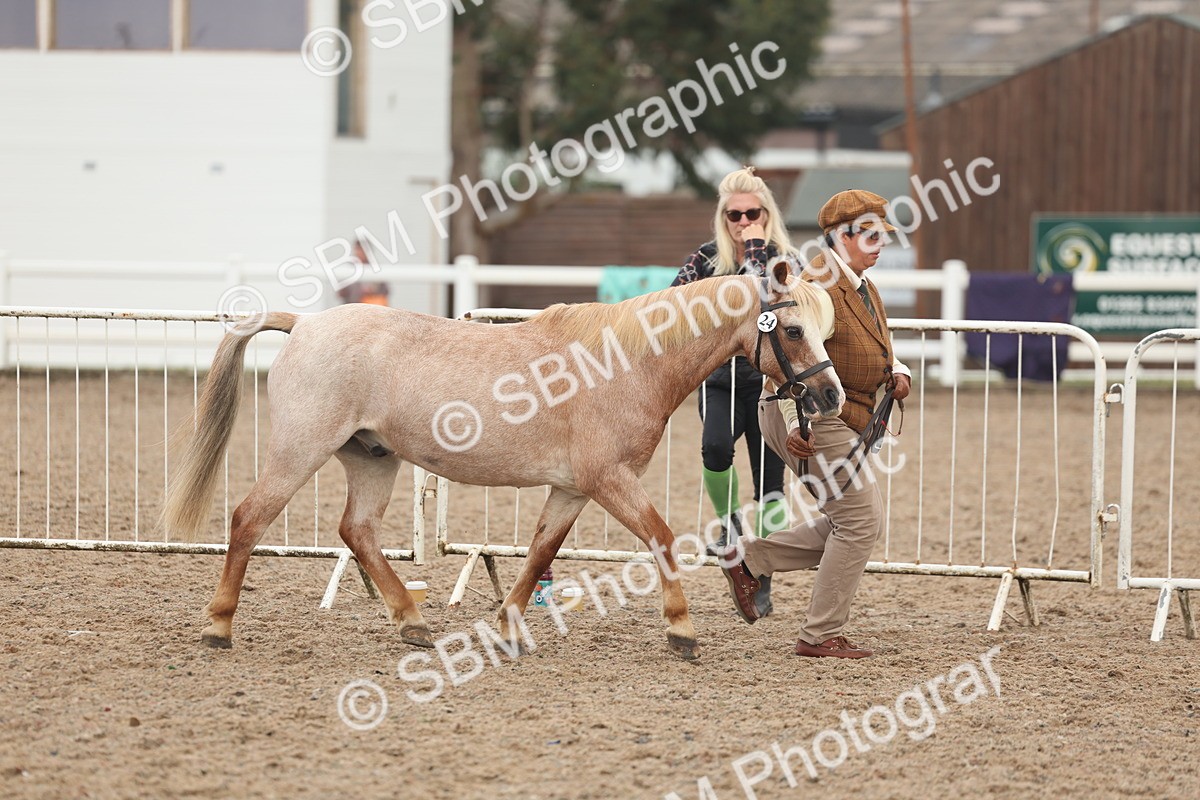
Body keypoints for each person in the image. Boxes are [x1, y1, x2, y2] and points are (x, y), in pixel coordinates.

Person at [719, 189, 912, 658]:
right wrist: (793, 424)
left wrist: (897, 368)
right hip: (811, 418)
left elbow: (866, 344)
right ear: (839, 237)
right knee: (860, 521)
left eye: (881, 234)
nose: (880, 243)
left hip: (838, 416)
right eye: (869, 235)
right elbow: (791, 357)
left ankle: (752, 560)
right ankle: (819, 634)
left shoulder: (859, 282)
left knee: (854, 520)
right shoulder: (820, 285)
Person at [672, 166, 796, 616]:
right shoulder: (706, 259)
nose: (743, 223)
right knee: (715, 448)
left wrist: (759, 250)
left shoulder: (785, 258)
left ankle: (763, 571)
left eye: (752, 215)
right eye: (734, 216)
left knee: (770, 480)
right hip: (720, 379)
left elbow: (776, 301)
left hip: (770, 384)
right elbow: (670, 306)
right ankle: (728, 525)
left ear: (767, 215)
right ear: (722, 219)